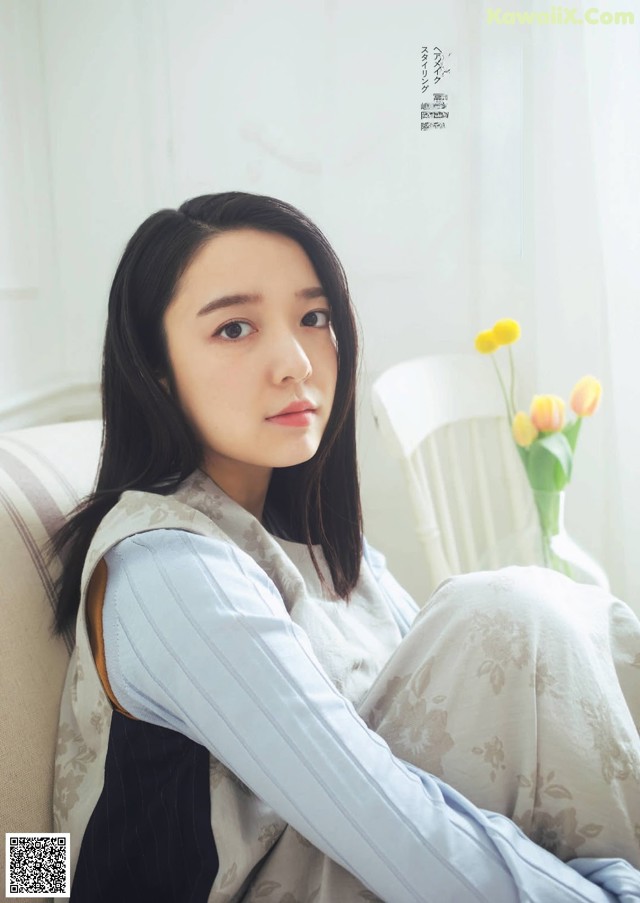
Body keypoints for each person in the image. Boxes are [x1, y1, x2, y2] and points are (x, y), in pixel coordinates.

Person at [49, 191, 640, 902]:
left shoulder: (322, 548)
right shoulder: (167, 571)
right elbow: (380, 813)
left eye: (314, 316)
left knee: (574, 623)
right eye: (235, 328)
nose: (296, 361)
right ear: (156, 367)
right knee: (509, 615)